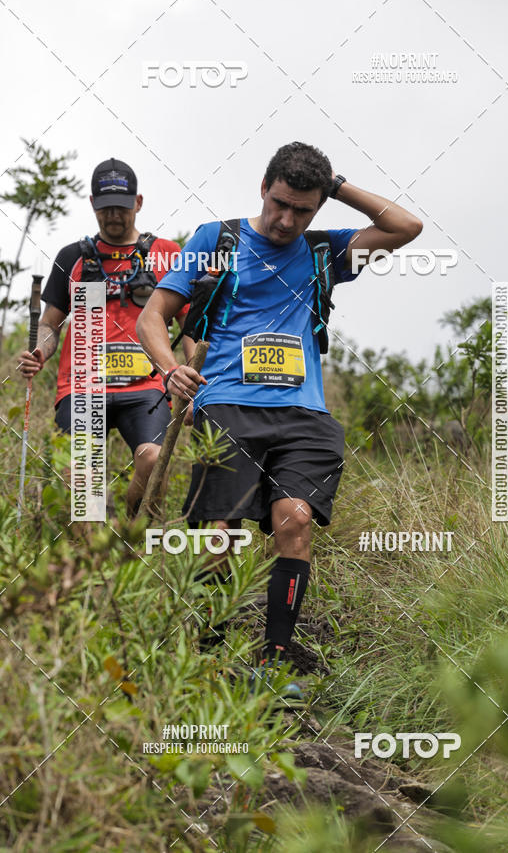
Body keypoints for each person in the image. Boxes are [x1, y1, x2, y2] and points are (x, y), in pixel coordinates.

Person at [137, 141, 422, 699]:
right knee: (218, 535)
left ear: (319, 207)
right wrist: (170, 370)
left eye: (303, 210)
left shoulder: (324, 252)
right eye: (280, 204)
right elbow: (154, 316)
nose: (287, 220)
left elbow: (405, 226)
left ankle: (275, 660)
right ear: (263, 189)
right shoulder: (215, 239)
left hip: (304, 414)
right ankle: (208, 657)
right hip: (228, 404)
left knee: (294, 520)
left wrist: (336, 185)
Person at [18, 158, 191, 518]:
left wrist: (194, 381)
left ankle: (131, 532)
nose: (113, 215)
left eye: (122, 207)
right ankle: (95, 538)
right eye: (105, 207)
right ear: (93, 204)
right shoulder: (72, 257)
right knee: (81, 479)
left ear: (138, 203)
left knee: (153, 460)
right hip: (82, 386)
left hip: (145, 386)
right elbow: (50, 324)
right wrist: (40, 351)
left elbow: (191, 324)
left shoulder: (166, 254)